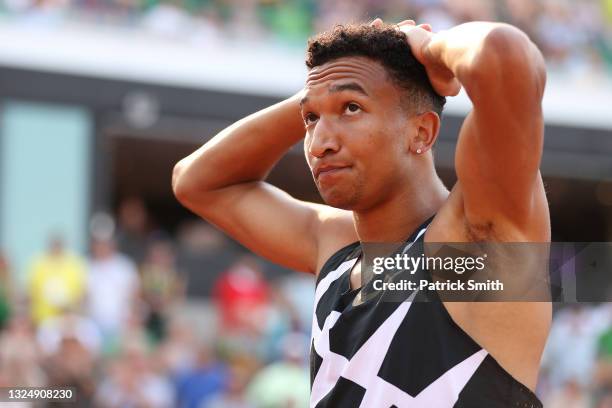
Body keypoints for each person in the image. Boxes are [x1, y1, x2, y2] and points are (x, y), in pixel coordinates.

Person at [173, 18, 550, 407]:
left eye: (352, 108)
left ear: (421, 132)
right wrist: (320, 92)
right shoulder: (333, 246)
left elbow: (505, 56)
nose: (319, 144)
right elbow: (195, 181)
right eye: (311, 120)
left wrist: (429, 49)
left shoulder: (477, 241)